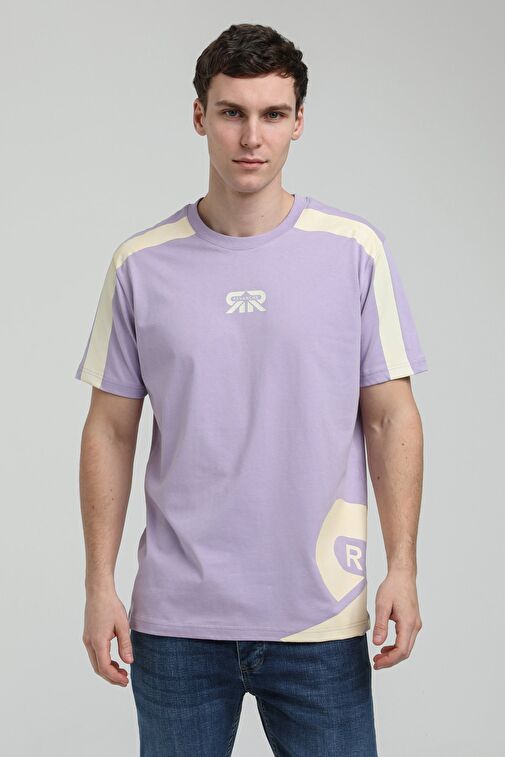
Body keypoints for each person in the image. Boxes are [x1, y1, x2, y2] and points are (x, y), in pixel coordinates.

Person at [75, 22, 428, 757]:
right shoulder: (142, 263)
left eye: (272, 114)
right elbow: (109, 429)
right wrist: (99, 584)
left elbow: (390, 418)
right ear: (199, 116)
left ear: (298, 121)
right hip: (177, 620)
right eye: (231, 112)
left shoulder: (352, 251)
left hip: (319, 616)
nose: (250, 137)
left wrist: (403, 567)